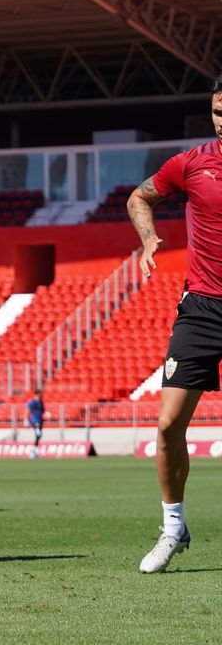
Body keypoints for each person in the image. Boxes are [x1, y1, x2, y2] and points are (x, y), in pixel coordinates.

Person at [127, 77, 222, 572]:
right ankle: (172, 528)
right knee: (167, 426)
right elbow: (138, 198)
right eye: (216, 111)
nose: (221, 120)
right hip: (202, 309)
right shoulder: (190, 163)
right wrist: (148, 240)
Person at [25, 389, 45, 457]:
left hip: (40, 420)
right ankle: (34, 450)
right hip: (34, 420)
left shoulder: (41, 402)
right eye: (39, 394)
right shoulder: (32, 402)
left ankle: (34, 450)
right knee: (38, 433)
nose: (41, 396)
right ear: (36, 394)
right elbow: (28, 410)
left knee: (39, 435)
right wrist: (26, 419)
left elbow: (42, 411)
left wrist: (46, 414)